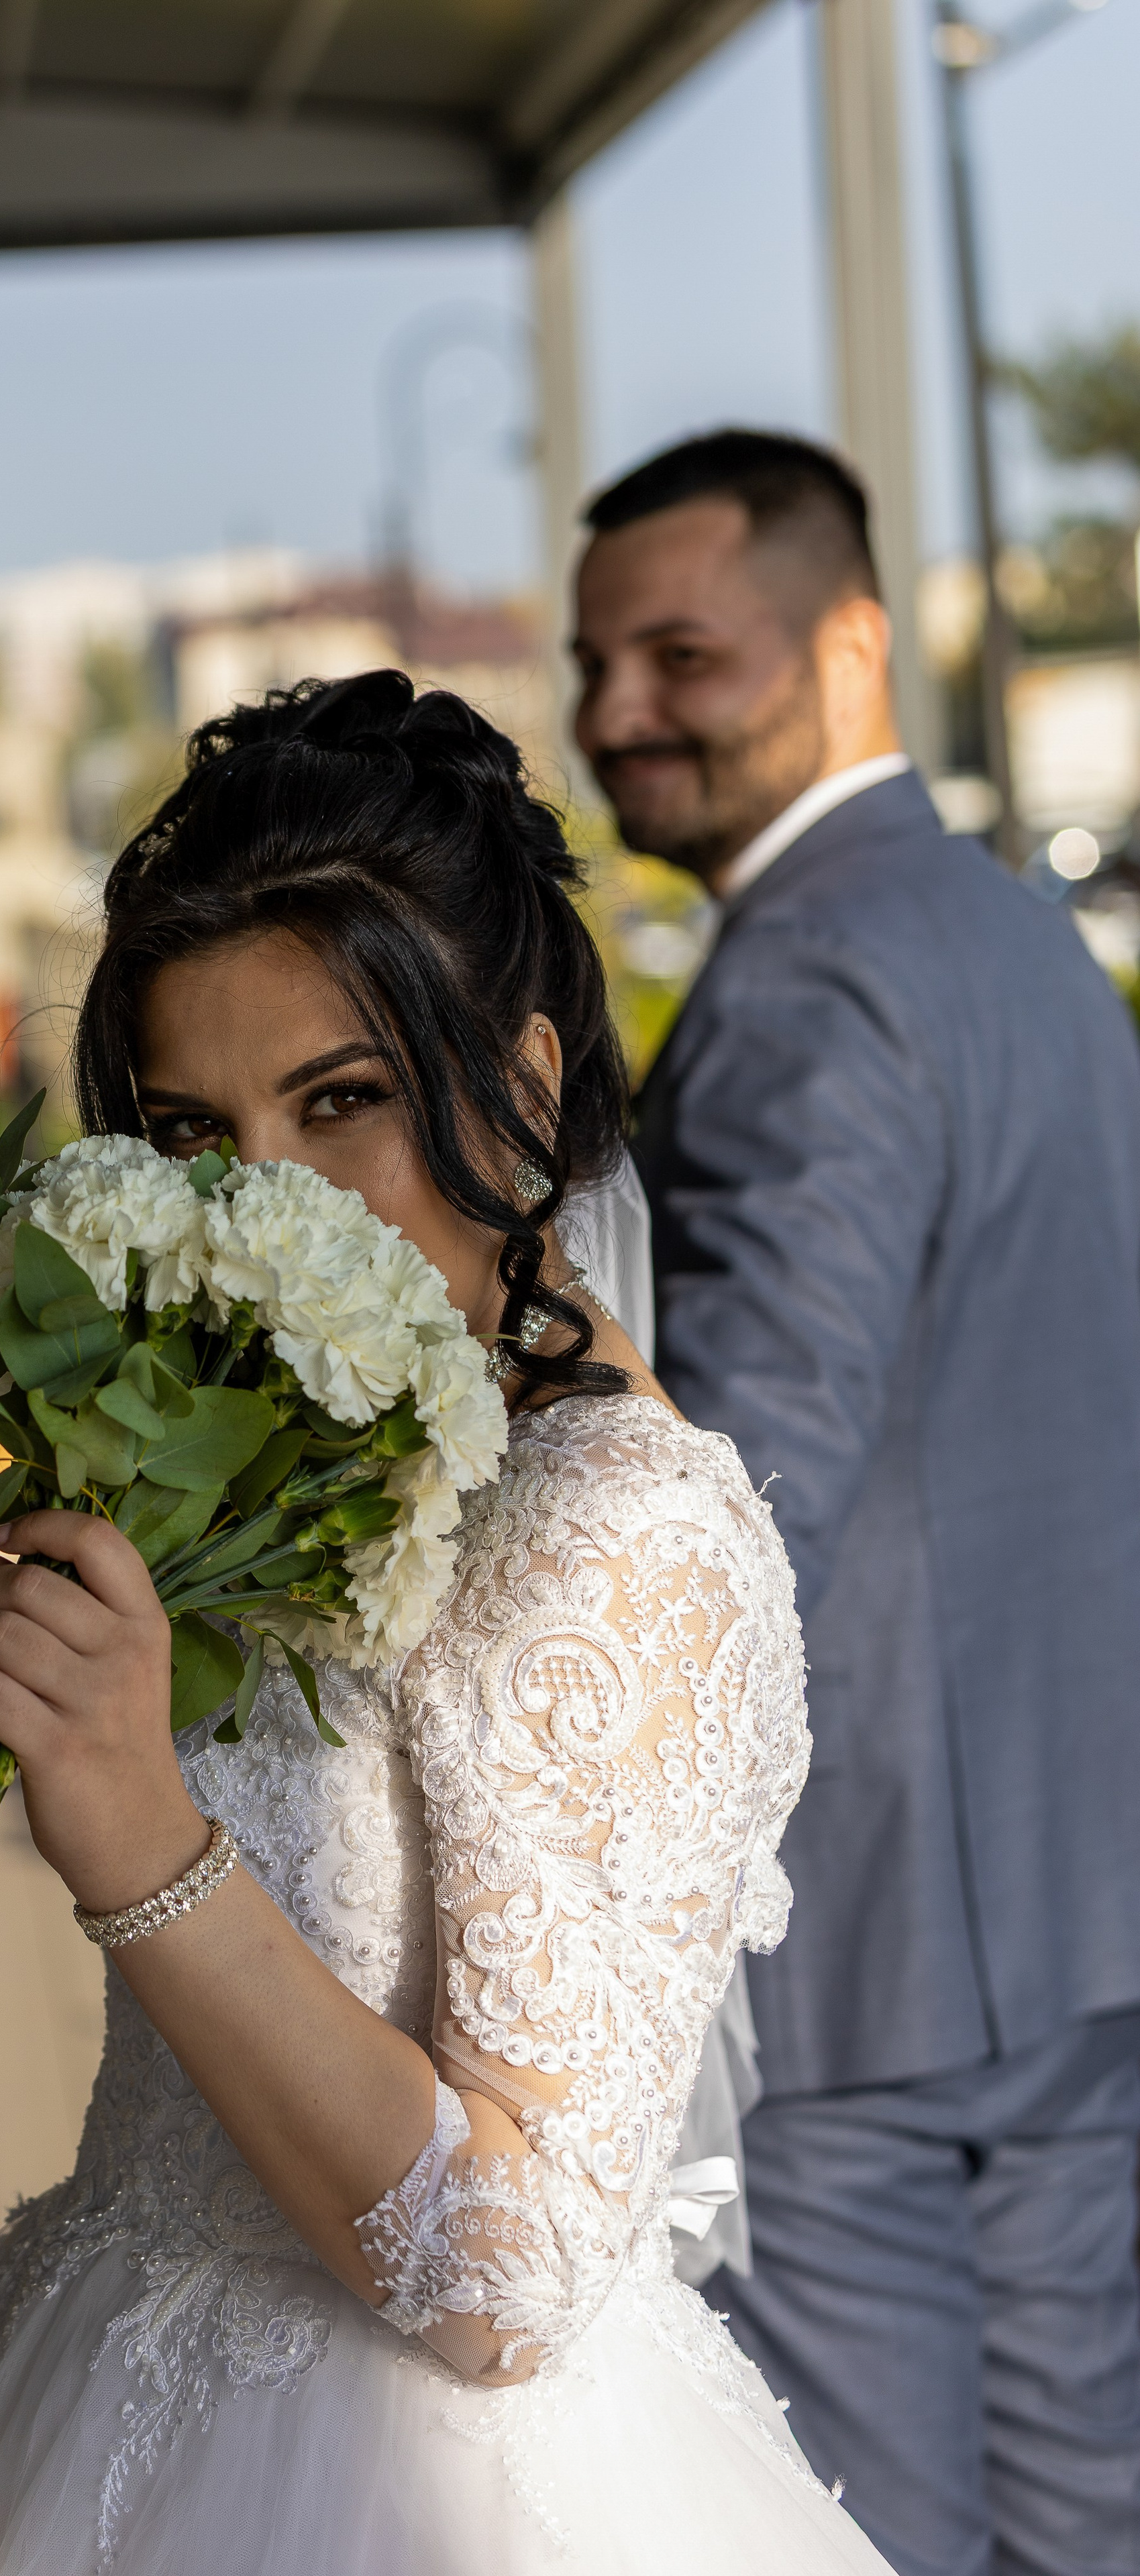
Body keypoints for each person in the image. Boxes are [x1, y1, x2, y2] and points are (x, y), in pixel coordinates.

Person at [0, 672, 893, 2576]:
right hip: (106, 2376)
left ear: (526, 1089)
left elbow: (511, 2273)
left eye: (344, 1103)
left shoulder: (614, 1539)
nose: (267, 1213)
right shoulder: (296, 1439)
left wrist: (141, 1843)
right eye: (196, 1137)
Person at [575, 428, 1140, 2575]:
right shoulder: (1014, 935)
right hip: (1078, 1897)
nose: (618, 709)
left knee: (864, 2533)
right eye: (594, 662)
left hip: (870, 1941)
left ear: (849, 648)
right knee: (1086, 2509)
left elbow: (745, 1500)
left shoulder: (811, 971)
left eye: (681, 656)